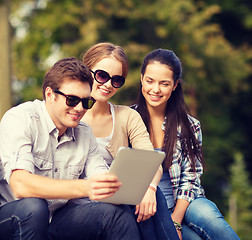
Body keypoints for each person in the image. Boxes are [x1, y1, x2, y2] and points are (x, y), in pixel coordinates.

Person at [0, 57, 142, 240]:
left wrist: (112, 186)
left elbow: (98, 176)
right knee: (34, 208)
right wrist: (85, 187)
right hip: (14, 217)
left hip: (57, 219)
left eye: (86, 102)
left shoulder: (84, 133)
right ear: (50, 94)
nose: (79, 108)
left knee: (116, 213)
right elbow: (20, 185)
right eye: (72, 100)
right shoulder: (21, 119)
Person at [132, 48, 240, 240]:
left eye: (164, 83)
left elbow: (190, 178)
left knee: (211, 219)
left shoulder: (190, 125)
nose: (155, 89)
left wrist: (175, 220)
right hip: (151, 205)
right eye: (150, 81)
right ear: (141, 79)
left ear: (174, 85)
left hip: (186, 200)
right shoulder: (128, 119)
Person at [75, 42, 179, 240]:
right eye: (102, 75)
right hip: (82, 204)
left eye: (116, 80)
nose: (107, 85)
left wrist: (149, 188)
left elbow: (152, 161)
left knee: (151, 195)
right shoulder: (71, 114)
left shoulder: (127, 116)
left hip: (118, 198)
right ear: (85, 70)